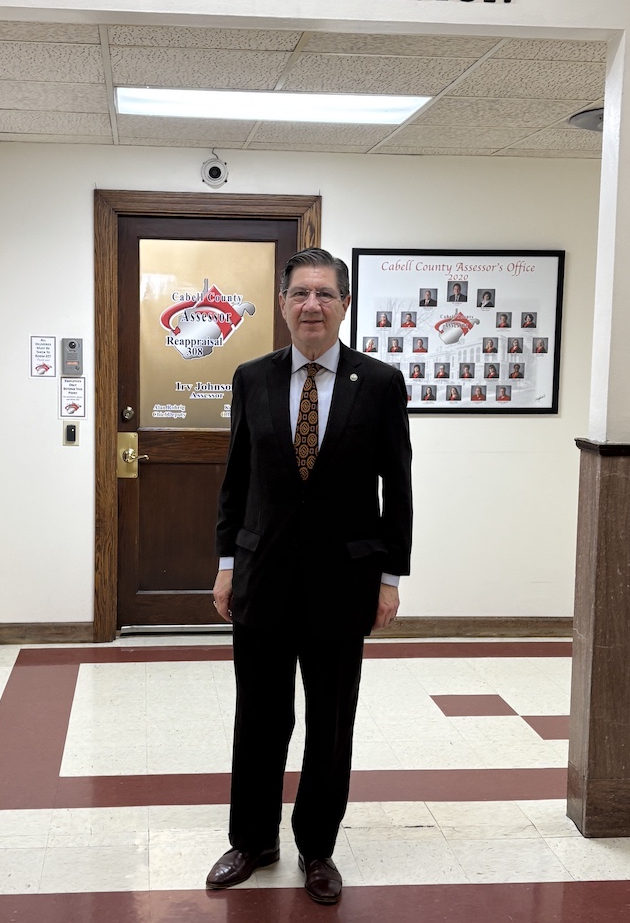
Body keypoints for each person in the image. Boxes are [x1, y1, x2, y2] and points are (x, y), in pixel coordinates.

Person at [209, 249, 412, 906]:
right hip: (262, 577)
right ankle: (252, 840)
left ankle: (317, 848)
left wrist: (390, 577)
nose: (312, 305)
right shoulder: (252, 377)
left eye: (325, 293)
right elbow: (236, 480)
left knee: (330, 725)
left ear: (345, 304)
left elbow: (397, 489)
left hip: (344, 583)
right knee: (259, 719)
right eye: (300, 293)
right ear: (283, 303)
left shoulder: (378, 383)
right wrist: (226, 565)